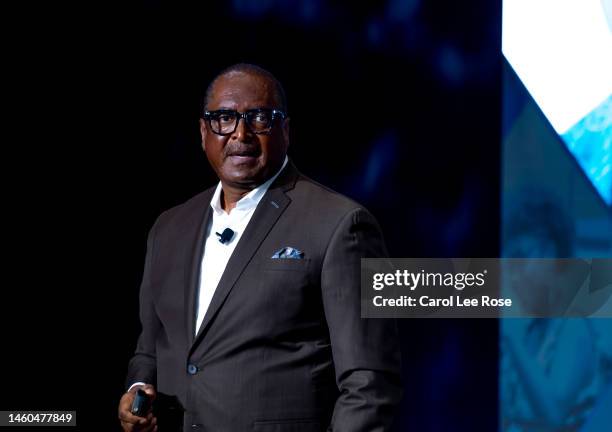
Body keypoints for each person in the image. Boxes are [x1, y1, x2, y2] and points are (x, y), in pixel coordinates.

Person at [118, 63, 402, 432]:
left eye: (259, 118)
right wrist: (138, 388)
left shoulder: (341, 225)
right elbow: (150, 347)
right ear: (204, 132)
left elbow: (370, 382)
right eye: (224, 118)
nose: (241, 133)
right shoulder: (168, 228)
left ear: (285, 130)